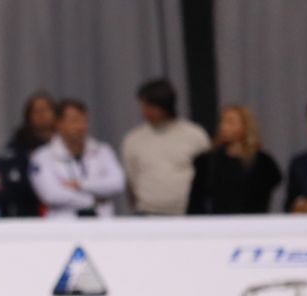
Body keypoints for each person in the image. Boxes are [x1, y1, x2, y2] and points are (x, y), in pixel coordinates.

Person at [120, 78, 209, 215]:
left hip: (186, 214)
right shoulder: (134, 139)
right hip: (148, 213)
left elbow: (206, 176)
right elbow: (131, 180)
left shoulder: (194, 135)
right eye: (143, 105)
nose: (145, 111)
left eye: (150, 106)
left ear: (165, 105)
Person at [30, 98, 126, 218]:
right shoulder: (42, 156)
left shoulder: (102, 150)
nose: (81, 127)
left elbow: (117, 184)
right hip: (63, 225)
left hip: (101, 223)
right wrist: (93, 200)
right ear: (58, 123)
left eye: (84, 120)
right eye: (74, 121)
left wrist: (81, 185)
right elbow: (51, 194)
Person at [187, 104, 281, 215]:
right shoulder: (206, 162)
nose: (224, 127)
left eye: (230, 122)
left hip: (253, 222)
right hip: (216, 223)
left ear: (245, 126)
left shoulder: (263, 163)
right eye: (222, 121)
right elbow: (196, 200)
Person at [7, 90, 58, 216]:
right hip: (29, 210)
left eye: (45, 110)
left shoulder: (64, 143)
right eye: (36, 111)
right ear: (28, 116)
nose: (41, 114)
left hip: (62, 209)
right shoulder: (19, 144)